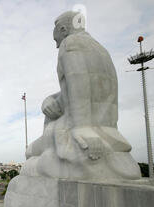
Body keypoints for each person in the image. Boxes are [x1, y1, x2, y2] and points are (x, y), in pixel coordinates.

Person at [21, 11, 141, 180]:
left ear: (63, 29)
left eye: (56, 40)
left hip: (76, 131)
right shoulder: (100, 49)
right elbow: (86, 89)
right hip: (108, 131)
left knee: (29, 154)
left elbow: (79, 82)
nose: (56, 46)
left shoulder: (70, 43)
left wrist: (82, 127)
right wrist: (49, 100)